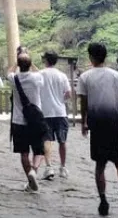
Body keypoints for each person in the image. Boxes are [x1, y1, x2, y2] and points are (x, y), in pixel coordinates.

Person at [79, 43, 118, 216]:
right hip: (116, 123)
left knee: (100, 165)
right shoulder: (116, 76)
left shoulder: (85, 77)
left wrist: (84, 122)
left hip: (97, 125)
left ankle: (103, 200)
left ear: (91, 57)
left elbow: (84, 103)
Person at [9, 52, 47, 192]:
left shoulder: (14, 79)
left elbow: (9, 71)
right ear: (30, 64)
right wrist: (31, 64)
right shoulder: (36, 78)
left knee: (24, 153)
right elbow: (38, 72)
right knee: (39, 151)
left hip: (19, 121)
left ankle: (30, 181)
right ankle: (34, 171)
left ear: (19, 65)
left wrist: (16, 62)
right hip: (36, 121)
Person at [39, 50, 72, 180]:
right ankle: (63, 167)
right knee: (62, 141)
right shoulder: (62, 75)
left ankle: (49, 167)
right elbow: (68, 93)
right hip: (60, 111)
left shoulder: (40, 74)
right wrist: (61, 100)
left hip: (45, 112)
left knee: (47, 140)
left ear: (46, 60)